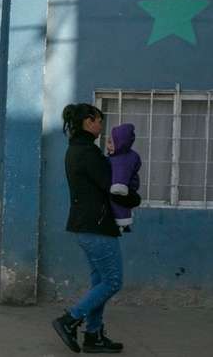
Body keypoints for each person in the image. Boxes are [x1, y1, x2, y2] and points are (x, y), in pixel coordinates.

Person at [52, 104, 140, 353]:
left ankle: (93, 335)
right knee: (112, 281)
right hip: (97, 226)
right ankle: (70, 320)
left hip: (87, 226)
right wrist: (135, 199)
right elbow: (111, 187)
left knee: (100, 282)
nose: (102, 126)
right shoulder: (88, 152)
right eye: (99, 120)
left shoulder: (76, 149)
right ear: (88, 122)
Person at [107, 123, 142, 233]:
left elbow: (119, 184)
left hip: (120, 191)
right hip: (127, 192)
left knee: (118, 206)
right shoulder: (126, 156)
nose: (107, 145)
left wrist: (117, 187)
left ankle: (121, 223)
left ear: (119, 143)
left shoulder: (120, 160)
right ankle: (123, 222)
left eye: (110, 142)